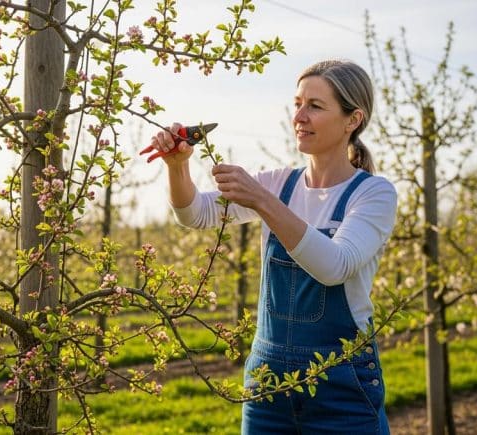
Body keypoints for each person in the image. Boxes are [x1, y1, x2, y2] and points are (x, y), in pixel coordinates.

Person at [148, 59, 397, 433]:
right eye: (297, 103)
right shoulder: (280, 184)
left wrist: (263, 201)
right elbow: (196, 214)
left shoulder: (373, 194)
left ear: (352, 119)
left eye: (314, 106)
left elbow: (336, 266)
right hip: (267, 386)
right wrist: (177, 166)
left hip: (340, 385)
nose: (299, 115)